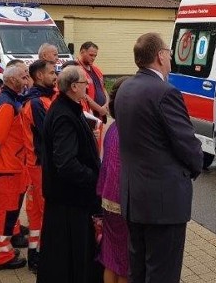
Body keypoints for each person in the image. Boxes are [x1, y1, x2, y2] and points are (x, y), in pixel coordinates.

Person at [115, 32, 203, 283]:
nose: (171, 58)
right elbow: (187, 145)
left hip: (134, 198)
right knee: (162, 272)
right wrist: (195, 167)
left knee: (138, 270)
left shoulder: (124, 88)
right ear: (160, 56)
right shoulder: (166, 92)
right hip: (163, 203)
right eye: (169, 52)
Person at [37, 65, 102, 282]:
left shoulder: (67, 108)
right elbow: (66, 164)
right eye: (85, 83)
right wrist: (94, 178)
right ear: (74, 87)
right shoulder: (64, 115)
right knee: (68, 259)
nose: (88, 86)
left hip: (68, 199)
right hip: (69, 201)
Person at [0, 63, 32, 270]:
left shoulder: (8, 100)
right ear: (11, 80)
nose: (26, 80)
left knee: (0, 211)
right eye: (23, 77)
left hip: (8, 165)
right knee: (5, 213)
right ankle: (2, 257)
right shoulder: (7, 105)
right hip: (8, 166)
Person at [20, 59, 58, 273]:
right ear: (39, 76)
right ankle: (41, 256)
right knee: (43, 212)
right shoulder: (36, 103)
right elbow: (49, 134)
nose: (55, 76)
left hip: (37, 164)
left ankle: (36, 255)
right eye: (52, 72)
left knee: (36, 213)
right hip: (40, 166)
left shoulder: (40, 99)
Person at [97, 76, 131, 283]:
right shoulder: (128, 133)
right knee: (125, 262)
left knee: (110, 258)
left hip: (107, 200)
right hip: (122, 204)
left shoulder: (113, 128)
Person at [78, 41, 110, 120]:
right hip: (88, 115)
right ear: (82, 52)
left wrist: (106, 104)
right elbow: (82, 95)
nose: (93, 58)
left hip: (101, 114)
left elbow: (103, 89)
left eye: (95, 56)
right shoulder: (76, 70)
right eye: (91, 55)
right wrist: (99, 109)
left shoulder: (97, 70)